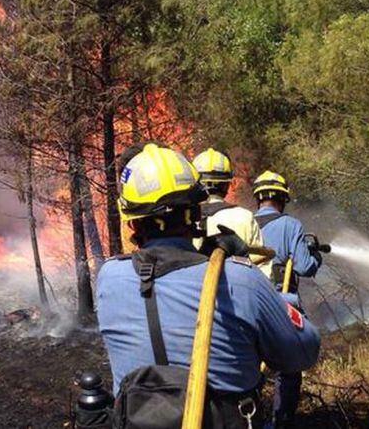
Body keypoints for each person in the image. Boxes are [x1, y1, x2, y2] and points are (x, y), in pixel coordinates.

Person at [96, 143, 321, 428]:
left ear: (131, 223)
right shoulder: (241, 281)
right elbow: (303, 352)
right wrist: (285, 306)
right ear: (196, 212)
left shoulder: (108, 280)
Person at [252, 170, 323, 428]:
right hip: (281, 304)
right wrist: (315, 256)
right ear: (282, 199)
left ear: (258, 198)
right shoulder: (290, 225)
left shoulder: (245, 223)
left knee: (249, 369)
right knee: (289, 367)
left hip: (247, 305)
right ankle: (283, 422)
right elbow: (305, 267)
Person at [192, 148, 270, 277]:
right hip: (240, 292)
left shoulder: (183, 220)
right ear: (227, 185)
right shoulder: (244, 217)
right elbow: (263, 270)